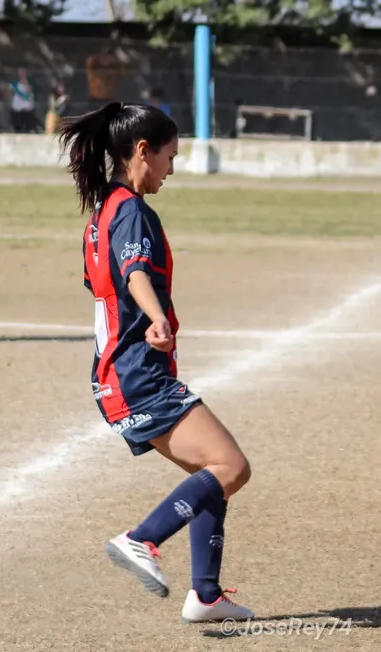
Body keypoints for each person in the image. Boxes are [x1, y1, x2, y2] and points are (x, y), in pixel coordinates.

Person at [55, 102, 254, 623]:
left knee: (210, 475)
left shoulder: (99, 215)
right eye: (169, 156)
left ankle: (205, 596)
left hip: (119, 376)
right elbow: (134, 271)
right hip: (138, 376)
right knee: (231, 467)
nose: (172, 167)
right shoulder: (131, 210)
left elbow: (107, 284)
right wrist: (155, 317)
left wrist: (144, 317)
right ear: (142, 152)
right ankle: (140, 538)